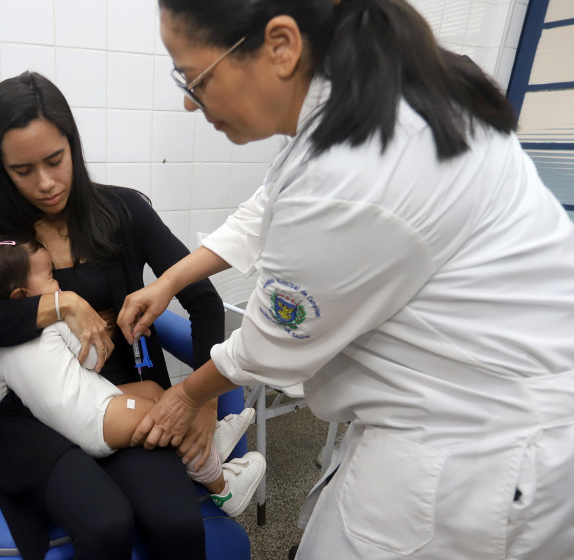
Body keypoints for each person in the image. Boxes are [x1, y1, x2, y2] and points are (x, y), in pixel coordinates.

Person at [117, 1, 574, 559]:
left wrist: (188, 395)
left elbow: (271, 343)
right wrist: (170, 280)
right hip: (451, 403)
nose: (190, 101)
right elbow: (268, 207)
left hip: (479, 446)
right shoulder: (354, 102)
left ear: (281, 45)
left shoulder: (357, 163)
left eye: (196, 78)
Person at [0, 71, 262, 560]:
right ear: (0, 168)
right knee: (105, 523)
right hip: (36, 414)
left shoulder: (124, 211)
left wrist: (203, 402)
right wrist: (61, 303)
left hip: (120, 398)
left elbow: (203, 300)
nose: (46, 183)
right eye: (24, 170)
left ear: (73, 146)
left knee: (176, 523)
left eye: (55, 160)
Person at [0, 235, 265, 517]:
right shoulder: (55, 322)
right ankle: (225, 490)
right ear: (21, 295)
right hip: (98, 419)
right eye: (51, 278)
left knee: (154, 388)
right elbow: (92, 360)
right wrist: (96, 331)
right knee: (169, 418)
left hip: (95, 407)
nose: (58, 283)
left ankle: (207, 445)